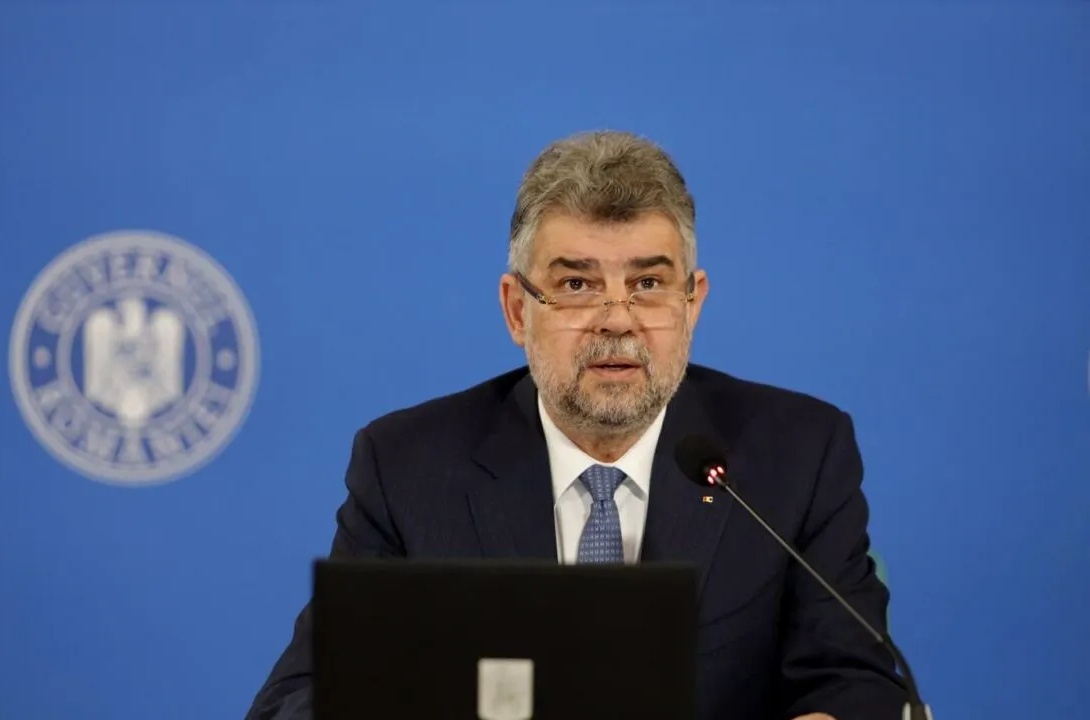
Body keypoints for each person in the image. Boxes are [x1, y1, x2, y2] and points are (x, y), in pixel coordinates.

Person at [245, 130, 906, 720]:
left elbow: (858, 683)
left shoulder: (796, 456)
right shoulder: (407, 468)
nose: (617, 319)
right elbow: (300, 697)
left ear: (692, 303)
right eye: (577, 286)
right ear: (516, 310)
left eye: (648, 284)